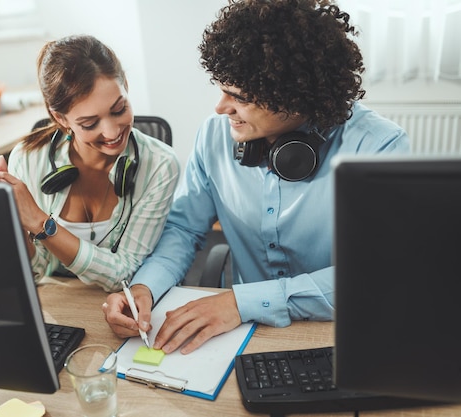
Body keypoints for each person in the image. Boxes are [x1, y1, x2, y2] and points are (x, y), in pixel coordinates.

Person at [103, 0, 410, 353]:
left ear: (295, 97)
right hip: (246, 332)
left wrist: (240, 302)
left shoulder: (378, 146)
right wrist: (144, 288)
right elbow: (184, 230)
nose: (220, 107)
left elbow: (377, 275)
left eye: (240, 97)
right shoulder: (214, 135)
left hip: (339, 334)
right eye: (221, 89)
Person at [0, 35, 180, 292]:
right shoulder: (28, 158)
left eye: (119, 109)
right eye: (90, 124)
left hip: (122, 305)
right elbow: (36, 271)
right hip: (60, 303)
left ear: (125, 84)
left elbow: (123, 273)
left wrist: (40, 222)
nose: (112, 132)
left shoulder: (160, 165)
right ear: (60, 117)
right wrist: (9, 222)